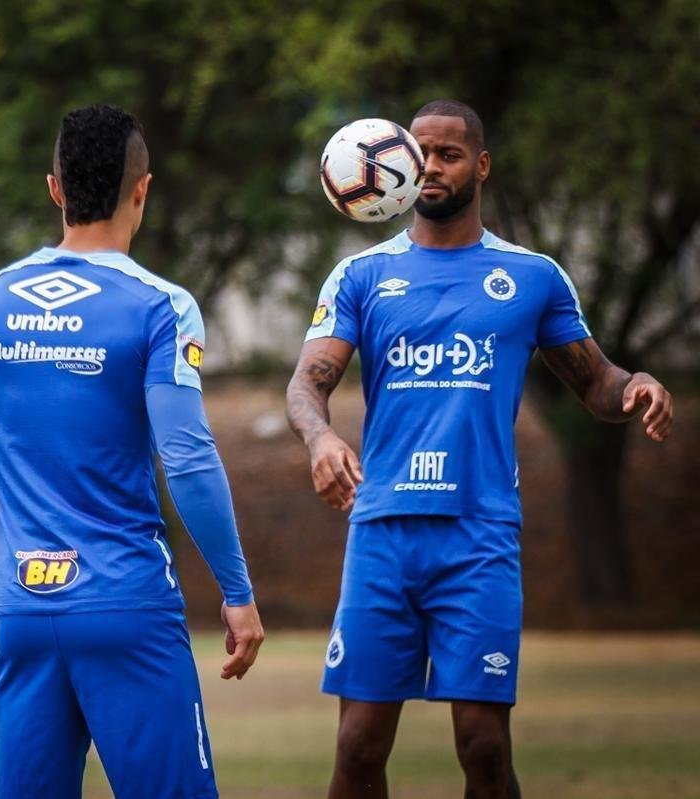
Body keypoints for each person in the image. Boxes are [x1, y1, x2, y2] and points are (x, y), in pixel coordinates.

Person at [286, 99, 673, 799]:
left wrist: (636, 385)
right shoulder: (361, 277)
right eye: (420, 153)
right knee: (358, 744)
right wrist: (319, 438)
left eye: (449, 154)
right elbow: (306, 384)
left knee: (485, 748)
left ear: (481, 165)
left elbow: (597, 383)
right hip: (383, 531)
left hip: (479, 534)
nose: (430, 167)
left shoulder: (531, 277)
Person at [0, 104, 265, 799]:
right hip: (128, 606)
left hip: (22, 610)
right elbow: (188, 457)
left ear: (55, 189)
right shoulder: (161, 305)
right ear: (142, 189)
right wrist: (237, 590)